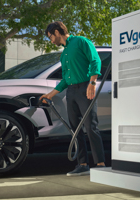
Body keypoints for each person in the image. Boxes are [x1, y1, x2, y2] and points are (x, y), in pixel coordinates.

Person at [40, 21, 106, 176]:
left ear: (56, 32)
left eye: (50, 37)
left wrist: (92, 82)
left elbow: (95, 60)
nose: (51, 40)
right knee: (75, 129)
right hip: (71, 92)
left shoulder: (81, 41)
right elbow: (65, 80)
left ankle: (101, 164)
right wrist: (50, 95)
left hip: (85, 88)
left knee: (91, 127)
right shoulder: (64, 55)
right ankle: (82, 164)